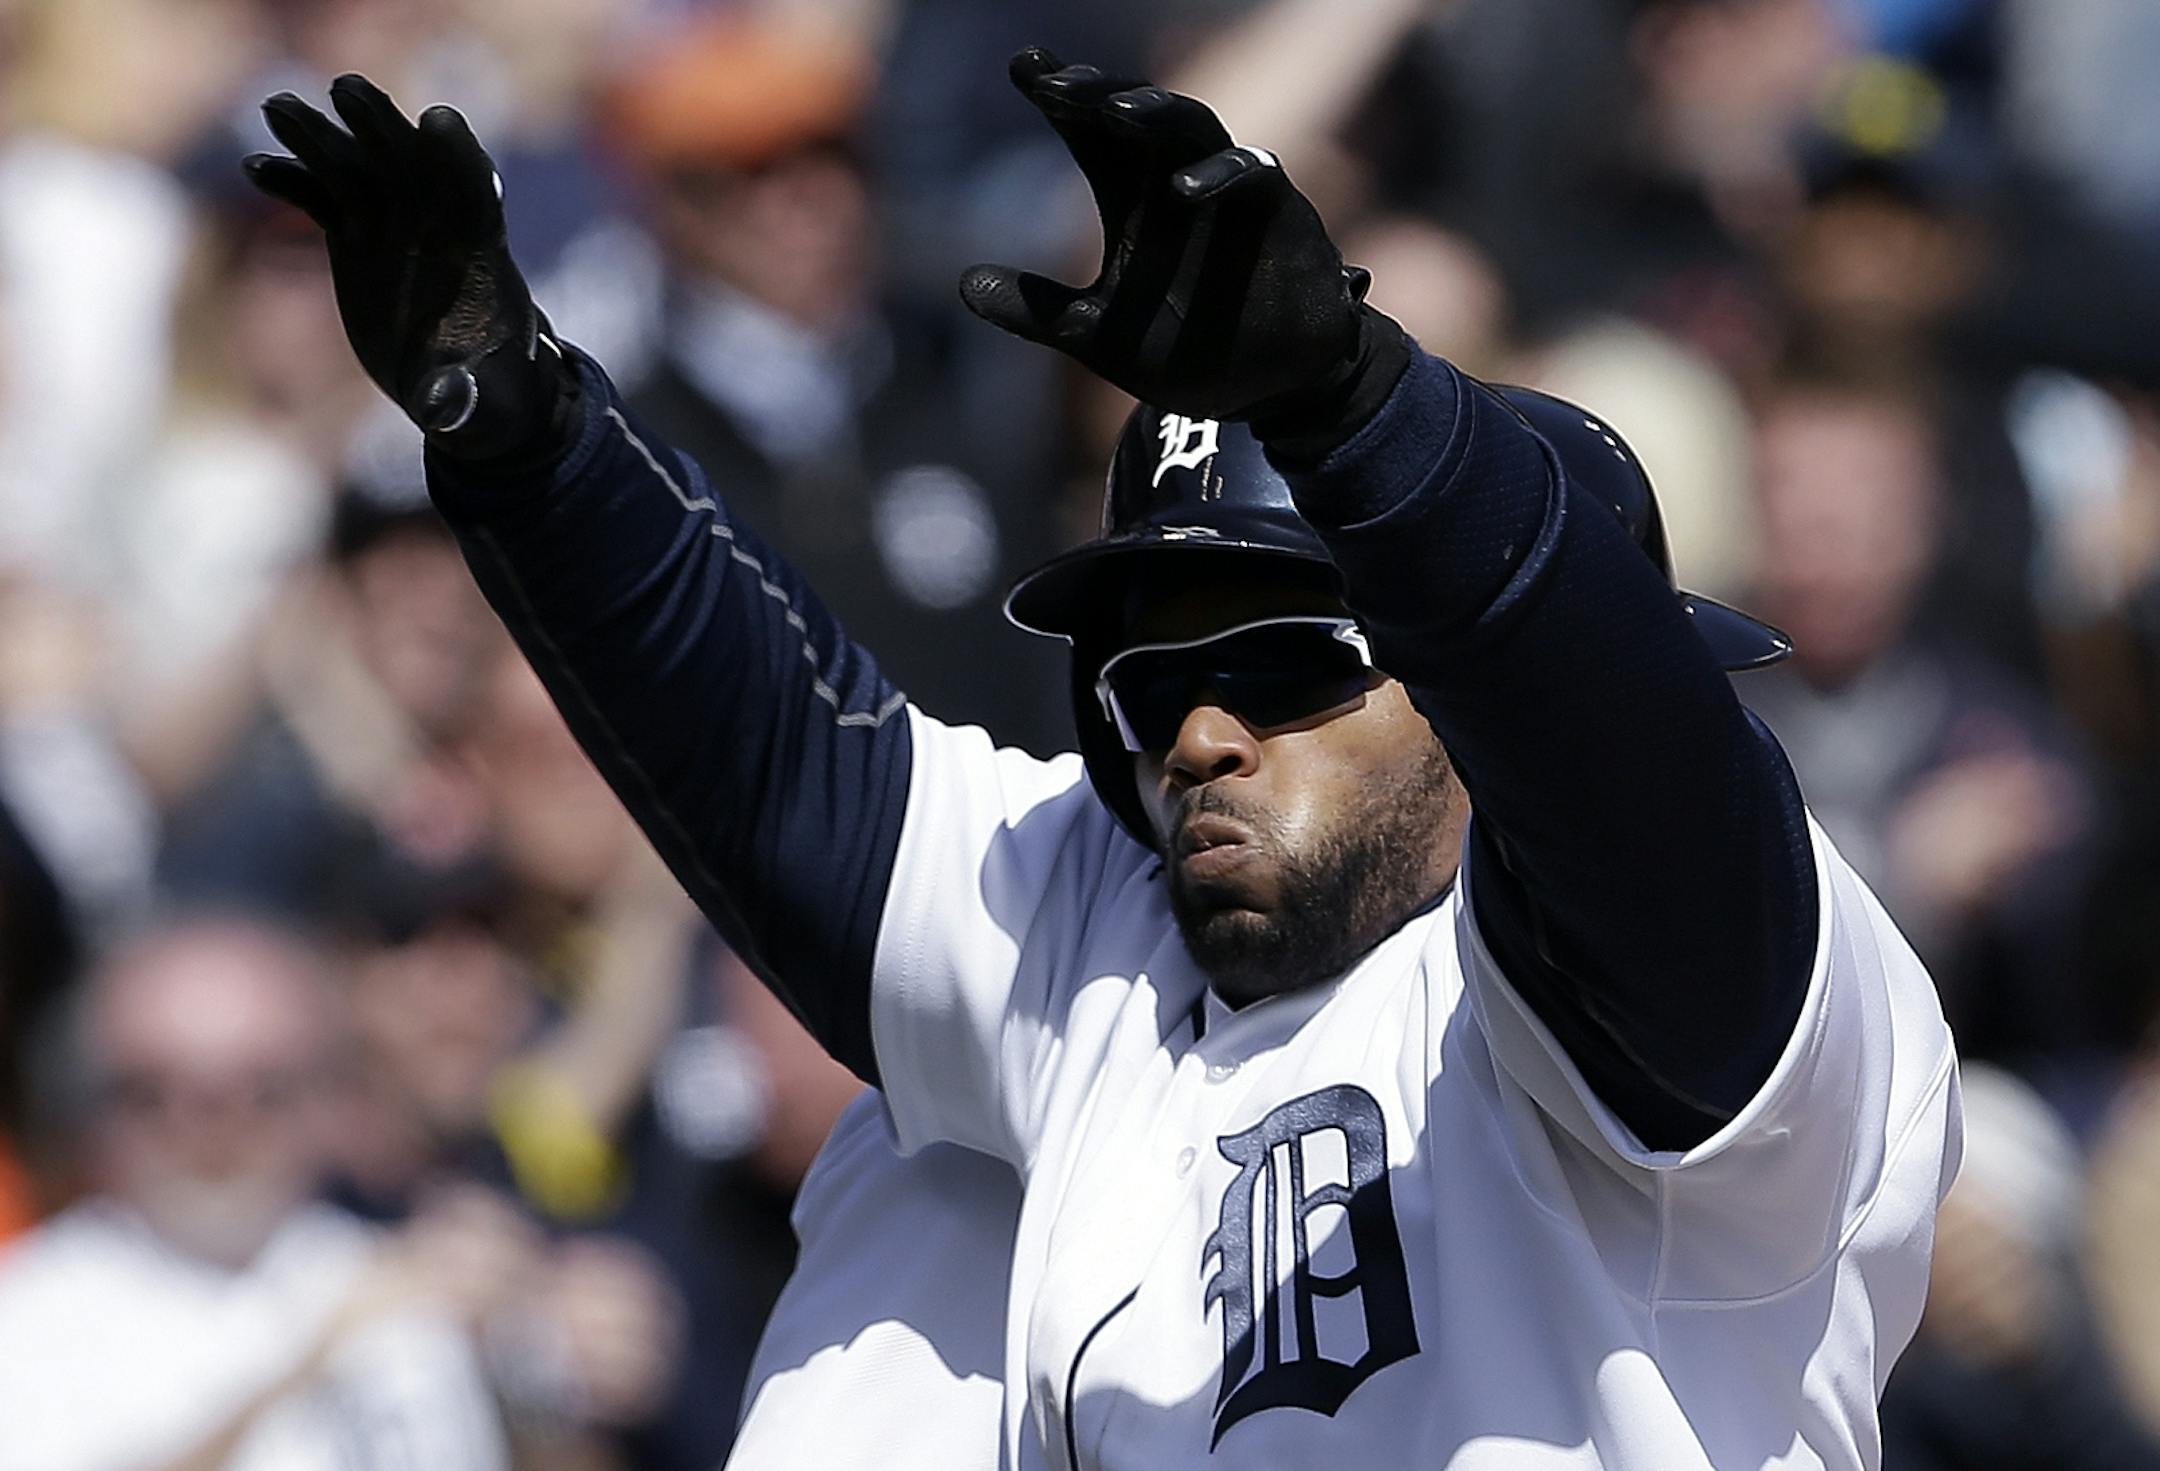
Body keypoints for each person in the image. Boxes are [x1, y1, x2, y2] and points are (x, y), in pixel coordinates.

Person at [245, 53, 1960, 1470]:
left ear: (1461, 672)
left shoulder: (1712, 972)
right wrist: (527, 431)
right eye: (1154, 681)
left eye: (1287, 662)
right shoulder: (1115, 928)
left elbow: (1619, 760)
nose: (1202, 731)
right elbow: (784, 761)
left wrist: (1365, 417)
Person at [0, 917, 509, 1471]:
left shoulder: (392, 1279)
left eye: (261, 1090)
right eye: (154, 1093)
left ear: (328, 1096)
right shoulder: (26, 1310)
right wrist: (311, 1362)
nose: (211, 1130)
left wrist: (529, 1376)